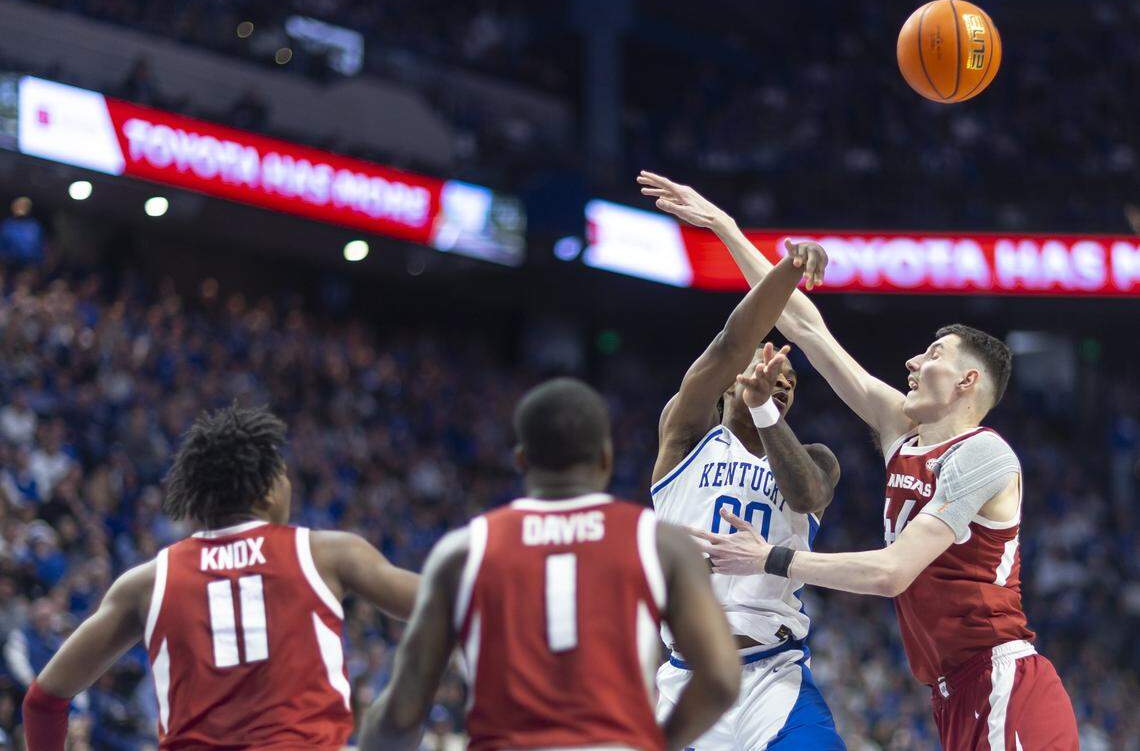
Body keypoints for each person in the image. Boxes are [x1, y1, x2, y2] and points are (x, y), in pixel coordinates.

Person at [640, 172, 1080, 751]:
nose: (912, 361)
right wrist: (727, 228)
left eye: (933, 355)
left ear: (967, 381)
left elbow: (891, 572)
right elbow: (803, 325)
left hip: (1001, 676)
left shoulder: (985, 453)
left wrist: (770, 558)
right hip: (950, 690)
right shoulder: (901, 430)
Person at [358, 378, 741, 751]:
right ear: (606, 458)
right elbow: (721, 679)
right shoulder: (659, 542)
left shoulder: (463, 552)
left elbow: (399, 718)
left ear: (522, 460)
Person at [21, 405, 419, 751]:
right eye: (284, 475)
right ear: (266, 490)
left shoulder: (146, 582)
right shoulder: (326, 553)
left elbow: (43, 699)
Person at [646, 205, 844, 750]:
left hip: (774, 675)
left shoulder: (816, 458)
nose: (780, 378)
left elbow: (806, 495)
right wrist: (786, 272)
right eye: (768, 368)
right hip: (689, 676)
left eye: (791, 379)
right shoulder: (686, 437)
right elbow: (730, 343)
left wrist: (764, 412)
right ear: (735, 380)